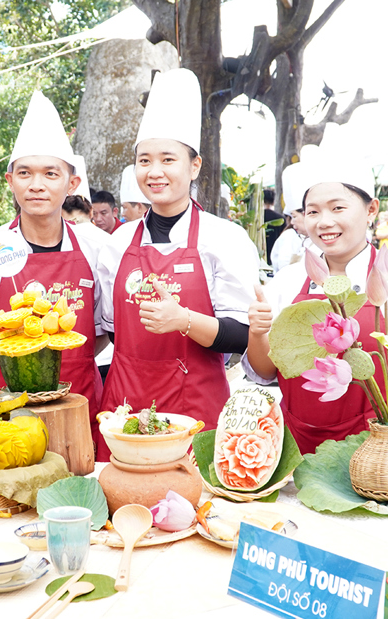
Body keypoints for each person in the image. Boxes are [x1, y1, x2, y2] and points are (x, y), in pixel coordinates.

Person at [97, 68, 260, 449]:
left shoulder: (224, 238)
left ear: (195, 165)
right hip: (124, 408)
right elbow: (113, 330)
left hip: (195, 407)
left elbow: (245, 336)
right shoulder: (118, 242)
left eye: (168, 160)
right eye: (144, 161)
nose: (154, 172)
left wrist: (183, 320)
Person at [245, 160, 388, 455]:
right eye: (312, 211)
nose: (323, 221)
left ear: (371, 209)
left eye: (337, 208)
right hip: (293, 449)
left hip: (379, 453)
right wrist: (258, 332)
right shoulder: (286, 282)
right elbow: (266, 372)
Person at [0, 90, 107, 446]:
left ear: (72, 183)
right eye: (25, 173)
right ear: (10, 180)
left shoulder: (98, 249)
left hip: (80, 408)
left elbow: (104, 330)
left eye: (51, 174)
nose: (36, 185)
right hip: (6, 415)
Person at [263, 188, 285, 258]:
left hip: (261, 252)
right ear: (273, 202)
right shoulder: (280, 218)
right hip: (275, 252)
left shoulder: (257, 219)